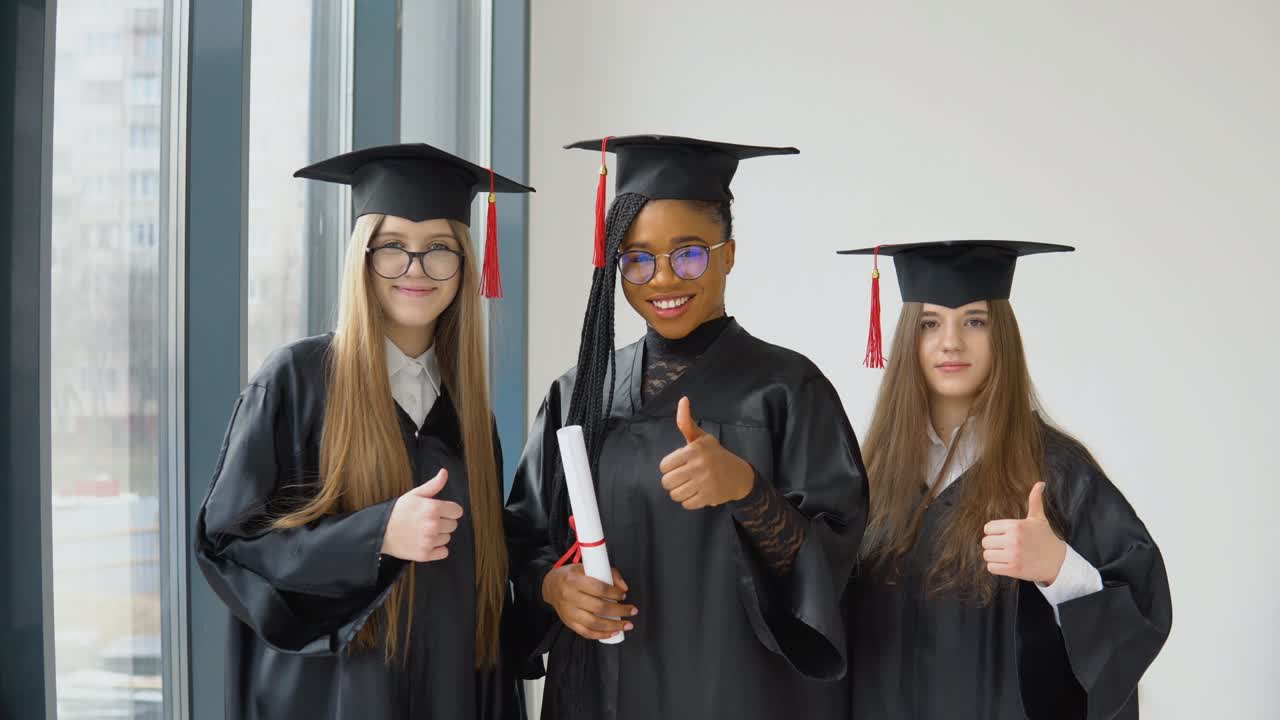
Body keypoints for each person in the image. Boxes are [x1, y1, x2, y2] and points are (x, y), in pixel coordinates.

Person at [505, 135, 869, 719]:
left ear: (728, 254)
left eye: (690, 253)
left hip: (738, 695)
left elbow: (836, 563)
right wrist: (553, 588)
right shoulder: (579, 391)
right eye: (638, 258)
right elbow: (525, 540)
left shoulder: (787, 389)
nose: (664, 279)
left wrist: (748, 492)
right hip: (602, 692)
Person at [195, 143, 533, 719]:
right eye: (393, 247)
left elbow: (488, 590)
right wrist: (374, 536)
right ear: (362, 256)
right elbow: (230, 547)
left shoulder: (473, 417)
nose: (416, 269)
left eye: (440, 250)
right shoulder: (296, 381)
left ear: (465, 264)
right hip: (333, 699)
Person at [839, 240, 1172, 718]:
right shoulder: (869, 475)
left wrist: (1059, 568)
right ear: (908, 338)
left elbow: (1141, 615)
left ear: (1003, 339)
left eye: (975, 321)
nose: (950, 341)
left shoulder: (1056, 471)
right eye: (930, 323)